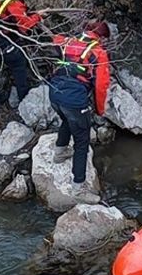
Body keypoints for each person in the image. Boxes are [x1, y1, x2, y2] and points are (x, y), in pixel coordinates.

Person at [47, 20, 112, 191]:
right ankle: (78, 187)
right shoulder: (98, 53)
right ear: (101, 37)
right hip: (74, 99)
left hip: (54, 94)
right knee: (82, 142)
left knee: (68, 120)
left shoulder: (66, 41)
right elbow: (101, 86)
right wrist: (99, 110)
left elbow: (50, 39)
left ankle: (60, 152)